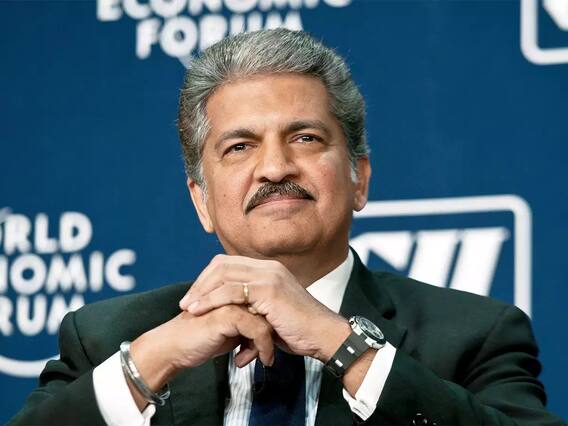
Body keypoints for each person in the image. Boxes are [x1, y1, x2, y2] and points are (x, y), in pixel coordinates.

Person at [9, 29, 563, 426]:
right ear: (202, 201)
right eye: (240, 146)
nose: (274, 167)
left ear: (360, 180)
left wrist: (342, 345)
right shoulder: (108, 339)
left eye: (305, 138)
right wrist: (152, 362)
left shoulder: (474, 336)